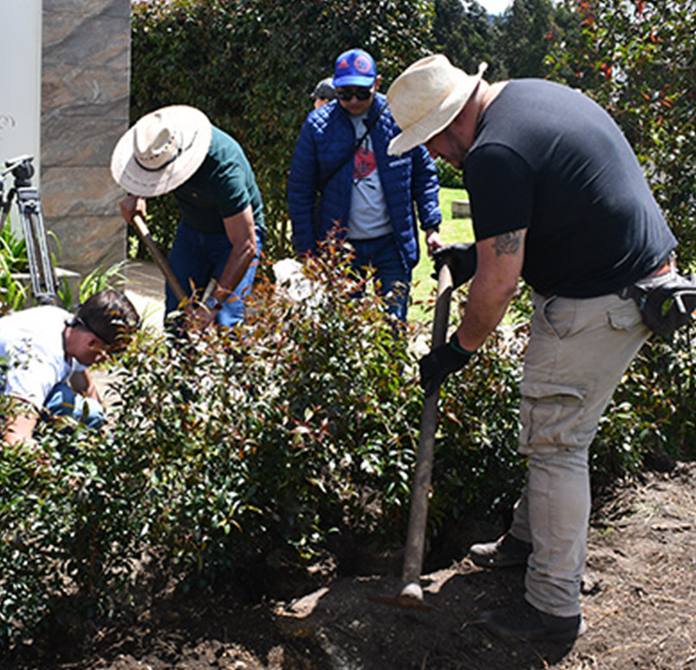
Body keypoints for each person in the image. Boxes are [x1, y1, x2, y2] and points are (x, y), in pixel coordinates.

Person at [386, 54, 678, 642]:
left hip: (604, 298)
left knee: (555, 443)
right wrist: (475, 254)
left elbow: (500, 285)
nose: (438, 155)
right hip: (633, 279)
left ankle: (551, 609)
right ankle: (526, 540)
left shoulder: (494, 153)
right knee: (551, 428)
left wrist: (458, 350)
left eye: (434, 143)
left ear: (450, 121)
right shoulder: (523, 100)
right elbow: (540, 214)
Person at [287, 48, 443, 321]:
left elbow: (424, 173)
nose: (354, 100)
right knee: (345, 331)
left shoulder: (398, 117)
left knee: (393, 325)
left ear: (377, 84)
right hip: (341, 248)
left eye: (363, 93)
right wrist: (308, 250)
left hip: (392, 243)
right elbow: (300, 191)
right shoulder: (317, 126)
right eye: (345, 94)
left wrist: (431, 226)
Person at [0, 289, 140, 447]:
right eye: (111, 353)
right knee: (63, 403)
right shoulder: (38, 358)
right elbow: (15, 438)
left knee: (89, 412)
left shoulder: (66, 323)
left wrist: (105, 444)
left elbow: (87, 389)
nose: (108, 361)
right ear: (93, 343)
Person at [112, 105, 263, 330]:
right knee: (177, 318)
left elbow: (245, 245)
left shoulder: (223, 169)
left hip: (235, 239)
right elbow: (146, 164)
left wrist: (212, 304)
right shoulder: (156, 144)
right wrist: (137, 194)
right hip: (192, 231)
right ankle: (179, 363)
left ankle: (231, 362)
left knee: (226, 322)